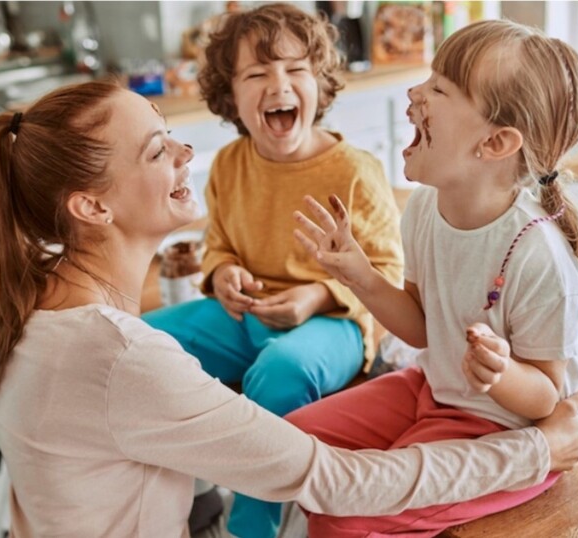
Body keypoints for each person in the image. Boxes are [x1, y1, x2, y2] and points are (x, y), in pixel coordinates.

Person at [0, 79, 578, 538]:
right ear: (92, 208)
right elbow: (339, 484)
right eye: (158, 151)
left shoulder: (35, 294)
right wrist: (538, 449)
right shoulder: (122, 358)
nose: (185, 153)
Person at [293, 19, 578, 537]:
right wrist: (361, 276)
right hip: (435, 387)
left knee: (344, 515)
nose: (414, 93)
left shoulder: (539, 255)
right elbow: (421, 329)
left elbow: (548, 400)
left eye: (439, 88)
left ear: (495, 142)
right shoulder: (424, 208)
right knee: (293, 446)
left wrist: (500, 373)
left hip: (505, 430)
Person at [141, 6, 403, 535]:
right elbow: (218, 245)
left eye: (295, 69)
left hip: (333, 324)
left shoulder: (355, 170)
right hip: (243, 316)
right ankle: (187, 491)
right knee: (142, 343)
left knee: (280, 372)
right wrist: (221, 275)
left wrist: (313, 296)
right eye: (257, 74)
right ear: (230, 96)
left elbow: (387, 273)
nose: (277, 84)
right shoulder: (231, 164)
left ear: (321, 84)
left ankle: (252, 525)